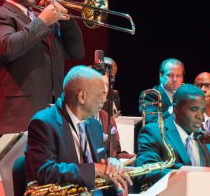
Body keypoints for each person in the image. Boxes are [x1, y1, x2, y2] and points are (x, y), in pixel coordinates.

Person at [0, 0, 84, 138]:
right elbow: (8, 48)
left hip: (54, 118)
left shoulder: (44, 20)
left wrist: (66, 19)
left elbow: (76, 52)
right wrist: (42, 21)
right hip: (18, 119)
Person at [25, 65, 132, 195]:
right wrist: (95, 169)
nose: (104, 100)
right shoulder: (44, 123)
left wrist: (110, 165)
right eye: (100, 94)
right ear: (82, 97)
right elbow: (46, 172)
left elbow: (100, 165)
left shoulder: (94, 125)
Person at [135, 84, 210, 188]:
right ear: (175, 109)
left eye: (202, 110)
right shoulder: (154, 132)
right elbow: (145, 171)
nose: (200, 116)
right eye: (193, 109)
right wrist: (187, 175)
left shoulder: (206, 138)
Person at [138, 58, 185, 124]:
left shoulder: (186, 95)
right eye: (170, 75)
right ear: (161, 76)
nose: (175, 79)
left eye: (178, 76)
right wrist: (173, 109)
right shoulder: (150, 95)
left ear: (182, 78)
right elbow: (151, 123)